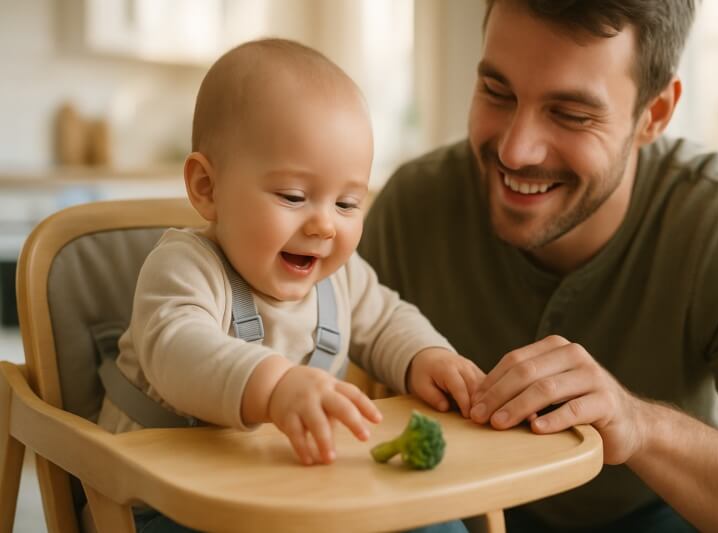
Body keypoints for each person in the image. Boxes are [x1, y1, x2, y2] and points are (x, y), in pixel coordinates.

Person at [359, 1, 718, 532]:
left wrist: (639, 425)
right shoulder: (413, 206)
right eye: (497, 92)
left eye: (571, 114)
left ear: (655, 113)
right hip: (462, 512)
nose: (516, 151)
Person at [95, 38, 481, 533]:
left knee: (432, 521)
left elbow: (386, 320)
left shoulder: (339, 276)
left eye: (347, 204)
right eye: (294, 196)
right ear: (207, 188)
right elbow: (178, 348)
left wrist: (425, 357)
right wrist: (274, 386)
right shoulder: (184, 268)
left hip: (286, 493)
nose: (324, 225)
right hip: (161, 500)